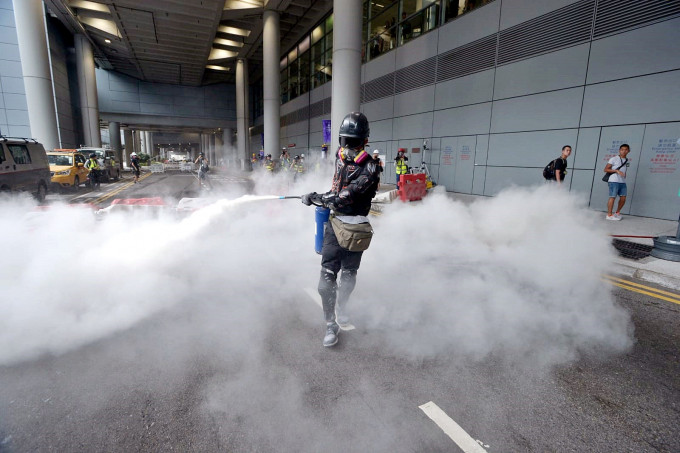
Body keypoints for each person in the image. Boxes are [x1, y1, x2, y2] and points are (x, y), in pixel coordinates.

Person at [301, 112, 381, 347]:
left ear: (364, 141)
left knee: (348, 275)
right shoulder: (339, 158)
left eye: (353, 142)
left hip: (355, 228)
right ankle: (330, 324)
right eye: (344, 142)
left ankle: (343, 306)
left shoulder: (371, 168)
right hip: (335, 226)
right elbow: (336, 187)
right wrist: (317, 197)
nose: (348, 148)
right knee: (326, 279)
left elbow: (346, 196)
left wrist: (318, 198)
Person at [604, 144, 631, 221]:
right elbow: (605, 169)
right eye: (622, 149)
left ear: (628, 151)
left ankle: (617, 213)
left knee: (623, 198)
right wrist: (616, 170)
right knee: (612, 197)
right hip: (613, 180)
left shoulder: (626, 160)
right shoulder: (614, 159)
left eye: (626, 149)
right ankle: (609, 215)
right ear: (619, 150)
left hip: (622, 181)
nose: (624, 151)